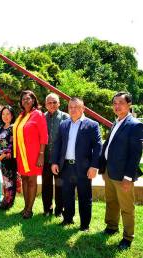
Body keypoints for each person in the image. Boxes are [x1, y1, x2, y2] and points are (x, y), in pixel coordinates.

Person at [100, 92, 143, 250]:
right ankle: (111, 227)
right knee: (111, 202)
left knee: (126, 207)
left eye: (121, 103)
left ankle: (127, 237)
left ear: (129, 105)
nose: (117, 106)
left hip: (123, 175)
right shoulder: (116, 122)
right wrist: (103, 169)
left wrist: (128, 177)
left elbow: (135, 154)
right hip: (110, 172)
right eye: (114, 103)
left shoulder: (135, 125)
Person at [51, 97, 102, 232]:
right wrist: (54, 162)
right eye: (70, 107)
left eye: (76, 107)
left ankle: (84, 225)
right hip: (66, 167)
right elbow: (57, 144)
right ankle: (68, 219)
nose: (73, 110)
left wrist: (94, 166)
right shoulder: (64, 124)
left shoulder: (92, 125)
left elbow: (98, 147)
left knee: (85, 196)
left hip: (84, 168)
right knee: (67, 194)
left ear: (83, 108)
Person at [13, 90, 48, 219]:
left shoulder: (38, 114)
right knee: (24, 179)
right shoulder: (21, 115)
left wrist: (41, 154)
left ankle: (29, 209)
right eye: (23, 99)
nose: (26, 101)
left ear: (33, 100)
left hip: (34, 153)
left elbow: (44, 136)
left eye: (28, 98)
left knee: (32, 180)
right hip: (22, 154)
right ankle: (25, 206)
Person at [42, 93, 69, 217]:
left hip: (60, 160)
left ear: (59, 103)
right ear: (45, 104)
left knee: (59, 186)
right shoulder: (42, 117)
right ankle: (47, 209)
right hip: (46, 158)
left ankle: (59, 210)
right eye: (49, 102)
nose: (52, 105)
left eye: (54, 102)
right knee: (46, 185)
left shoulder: (66, 117)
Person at [0, 105, 17, 210]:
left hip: (9, 158)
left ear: (12, 115)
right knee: (5, 180)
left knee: (10, 181)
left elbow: (12, 144)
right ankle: (6, 199)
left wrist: (3, 155)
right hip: (1, 159)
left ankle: (8, 202)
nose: (5, 116)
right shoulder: (1, 128)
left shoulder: (13, 127)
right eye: (3, 114)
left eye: (8, 113)